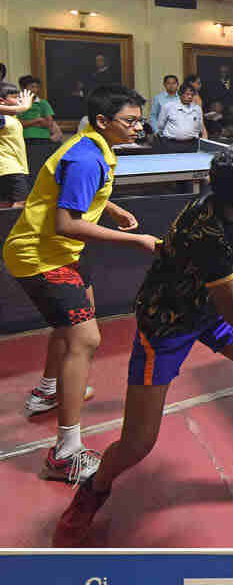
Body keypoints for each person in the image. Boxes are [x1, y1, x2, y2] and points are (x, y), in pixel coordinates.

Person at [52, 143, 233, 545]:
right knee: (137, 443)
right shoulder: (210, 240)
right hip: (167, 323)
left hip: (207, 307)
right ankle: (93, 490)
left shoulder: (221, 204)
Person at [4, 85, 157, 460]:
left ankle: (47, 390)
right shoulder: (86, 157)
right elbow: (67, 223)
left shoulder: (92, 144)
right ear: (103, 121)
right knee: (85, 339)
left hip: (65, 253)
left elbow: (77, 193)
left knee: (68, 326)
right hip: (42, 256)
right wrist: (137, 242)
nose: (138, 128)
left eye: (140, 121)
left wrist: (113, 209)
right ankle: (66, 453)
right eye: (131, 121)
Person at [0, 81, 34, 210]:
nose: (19, 99)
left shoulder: (12, 118)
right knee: (20, 202)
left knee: (5, 204)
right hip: (9, 168)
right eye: (14, 97)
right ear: (2, 101)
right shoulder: (2, 118)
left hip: (12, 167)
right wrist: (23, 107)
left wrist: (22, 108)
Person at [18, 75, 55, 177]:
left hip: (43, 140)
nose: (35, 90)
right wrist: (37, 120)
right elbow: (18, 124)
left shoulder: (43, 103)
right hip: (25, 140)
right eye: (31, 87)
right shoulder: (17, 103)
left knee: (41, 170)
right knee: (28, 171)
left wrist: (28, 122)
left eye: (36, 87)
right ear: (23, 88)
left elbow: (49, 123)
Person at [157, 80, 205, 149]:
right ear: (180, 94)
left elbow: (199, 126)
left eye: (192, 95)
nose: (190, 97)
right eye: (187, 94)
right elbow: (160, 126)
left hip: (191, 144)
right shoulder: (168, 106)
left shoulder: (197, 108)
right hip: (171, 144)